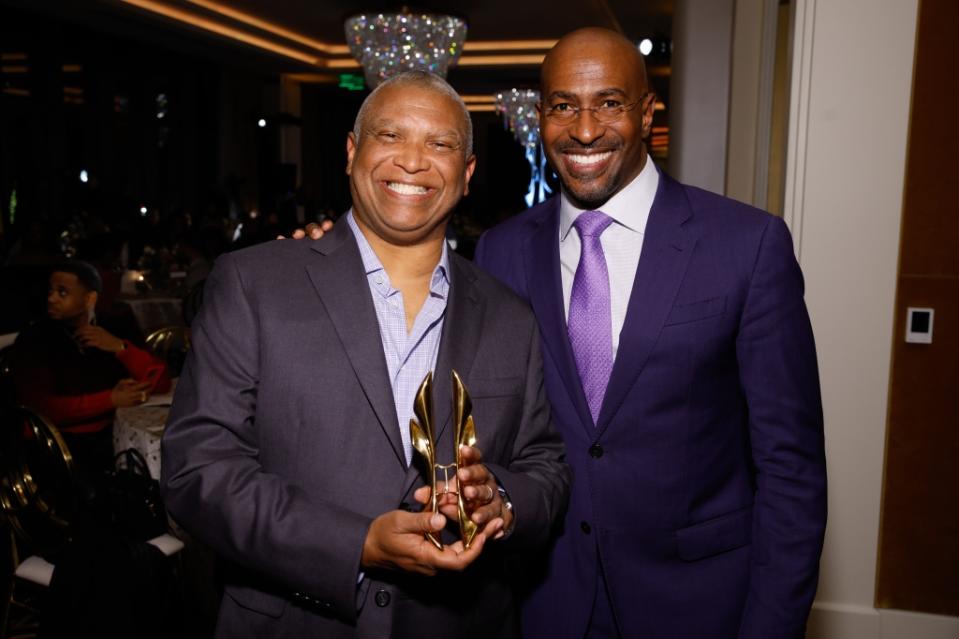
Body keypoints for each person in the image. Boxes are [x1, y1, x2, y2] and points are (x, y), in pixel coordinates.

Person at [160, 71, 569, 639]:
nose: (413, 160)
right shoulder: (255, 282)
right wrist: (356, 544)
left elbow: (546, 467)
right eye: (390, 135)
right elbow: (196, 469)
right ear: (353, 153)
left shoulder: (510, 316)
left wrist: (499, 499)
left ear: (467, 173)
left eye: (441, 144)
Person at [472, 28, 827, 638]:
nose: (584, 130)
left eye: (609, 103)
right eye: (563, 106)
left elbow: (790, 470)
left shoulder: (747, 245)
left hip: (698, 606)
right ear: (540, 116)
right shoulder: (500, 253)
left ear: (645, 111)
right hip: (541, 603)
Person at [12, 260, 171, 475]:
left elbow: (161, 383)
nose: (51, 298)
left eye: (62, 292)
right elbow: (41, 407)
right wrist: (111, 399)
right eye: (50, 290)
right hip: (59, 447)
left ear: (90, 298)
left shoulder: (113, 326)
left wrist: (119, 348)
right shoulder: (36, 338)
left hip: (111, 437)